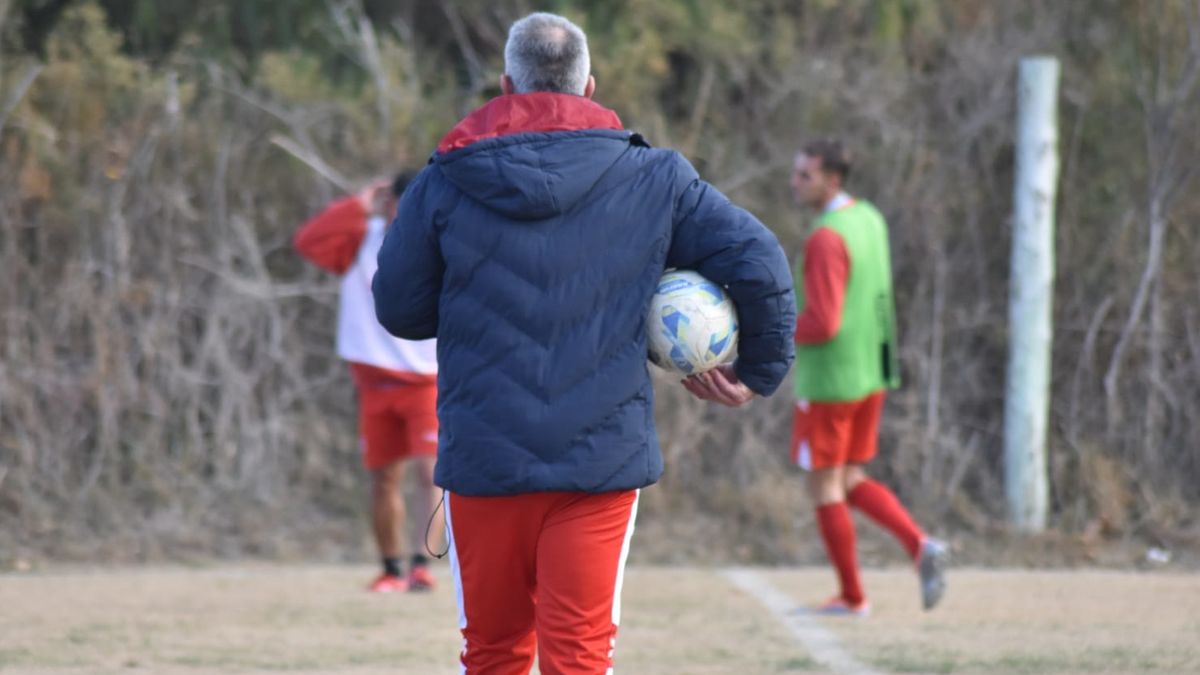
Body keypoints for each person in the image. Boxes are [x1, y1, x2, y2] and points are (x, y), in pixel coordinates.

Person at [372, 12, 795, 673]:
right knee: (579, 659)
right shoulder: (656, 177)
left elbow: (397, 307)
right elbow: (760, 258)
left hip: (485, 458)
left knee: (491, 656)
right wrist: (758, 369)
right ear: (589, 86)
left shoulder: (444, 180)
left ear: (508, 85)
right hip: (597, 464)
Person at [788, 139, 948, 616]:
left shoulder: (825, 237)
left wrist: (763, 331)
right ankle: (921, 546)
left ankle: (854, 597)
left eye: (805, 176)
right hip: (872, 374)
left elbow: (823, 322)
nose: (795, 184)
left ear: (832, 180)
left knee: (825, 487)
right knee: (851, 477)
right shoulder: (870, 218)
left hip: (831, 381)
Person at [293, 174, 444, 593]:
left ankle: (422, 565)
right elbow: (309, 242)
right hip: (374, 381)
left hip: (426, 379)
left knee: (430, 473)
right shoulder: (362, 238)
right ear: (387, 202)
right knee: (383, 476)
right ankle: (391, 568)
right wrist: (355, 206)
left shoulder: (439, 238)